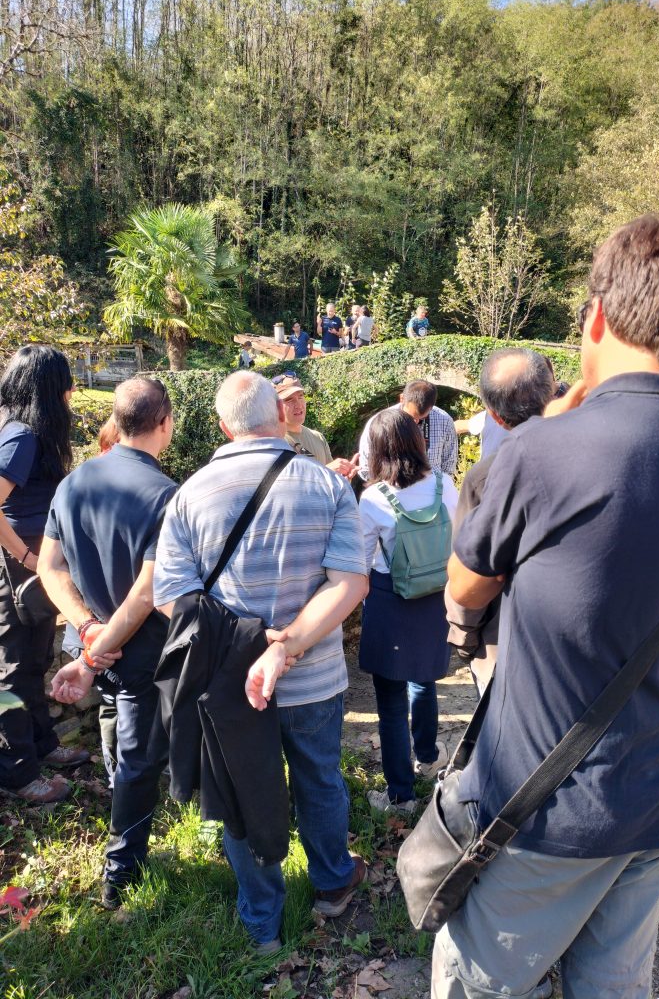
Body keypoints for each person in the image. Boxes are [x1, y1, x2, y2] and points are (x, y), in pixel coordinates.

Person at [432, 215, 659, 999]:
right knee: (613, 983)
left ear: (595, 315)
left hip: (548, 803)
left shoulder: (544, 450)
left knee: (480, 983)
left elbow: (463, 587)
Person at [152, 371, 369, 952]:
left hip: (228, 680)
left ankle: (262, 922)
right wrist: (288, 641)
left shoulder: (189, 493)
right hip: (314, 675)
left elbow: (170, 594)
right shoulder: (326, 485)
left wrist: (248, 637)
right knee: (320, 779)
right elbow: (350, 583)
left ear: (224, 425)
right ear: (279, 415)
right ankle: (332, 887)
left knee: (241, 790)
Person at [40, 377, 177, 909]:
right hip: (136, 651)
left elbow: (51, 566)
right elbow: (148, 589)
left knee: (120, 741)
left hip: (94, 645)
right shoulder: (166, 494)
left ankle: (127, 828)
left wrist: (87, 629)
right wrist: (104, 640)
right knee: (140, 757)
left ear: (117, 422)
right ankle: (121, 874)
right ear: (164, 422)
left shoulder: (73, 482)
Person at [358, 409, 457, 813]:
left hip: (389, 598)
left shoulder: (374, 499)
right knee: (424, 679)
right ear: (419, 442)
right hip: (436, 595)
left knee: (390, 702)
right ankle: (429, 755)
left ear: (377, 451)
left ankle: (400, 794)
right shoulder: (445, 486)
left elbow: (361, 564)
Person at [0, 346, 88, 804]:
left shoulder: (16, 429)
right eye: (66, 384)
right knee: (14, 667)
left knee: (34, 660)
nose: (73, 392)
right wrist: (26, 559)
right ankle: (17, 774)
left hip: (28, 570)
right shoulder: (21, 438)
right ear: (48, 389)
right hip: (16, 571)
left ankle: (42, 747)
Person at [445, 348, 555, 695]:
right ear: (551, 394)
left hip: (502, 635)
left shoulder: (484, 476)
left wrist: (465, 638)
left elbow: (472, 571)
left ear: (494, 415)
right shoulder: (598, 458)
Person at [358, 380, 458, 483]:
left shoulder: (444, 421)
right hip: (392, 493)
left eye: (421, 419)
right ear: (402, 398)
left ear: (431, 407)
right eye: (409, 417)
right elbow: (366, 469)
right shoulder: (379, 423)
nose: (414, 423)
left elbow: (448, 466)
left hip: (431, 493)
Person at [273, 374, 359, 480]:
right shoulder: (275, 442)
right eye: (289, 400)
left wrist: (344, 477)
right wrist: (327, 470)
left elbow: (331, 483)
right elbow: (286, 485)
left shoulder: (318, 437)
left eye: (300, 396)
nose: (298, 405)